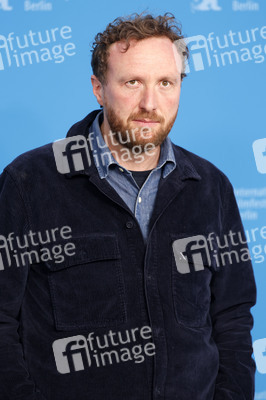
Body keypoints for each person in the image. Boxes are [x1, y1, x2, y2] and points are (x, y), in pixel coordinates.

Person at [0, 12, 256, 400]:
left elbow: (233, 320)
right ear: (99, 88)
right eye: (132, 82)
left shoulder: (212, 187)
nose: (150, 102)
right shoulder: (29, 181)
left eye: (166, 83)